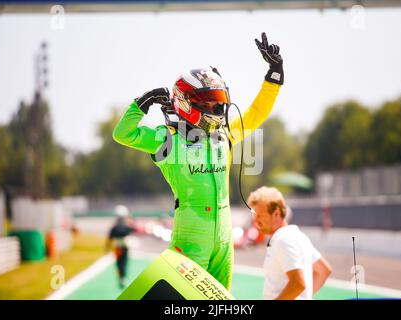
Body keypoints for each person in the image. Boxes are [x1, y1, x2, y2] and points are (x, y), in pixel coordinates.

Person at [112, 32, 284, 290]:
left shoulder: (223, 135)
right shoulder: (167, 140)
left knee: (220, 302)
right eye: (211, 103)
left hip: (224, 239)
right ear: (186, 103)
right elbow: (122, 134)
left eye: (220, 102)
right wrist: (143, 102)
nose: (218, 110)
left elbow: (256, 113)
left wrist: (275, 73)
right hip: (190, 237)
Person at [247, 186, 332, 300]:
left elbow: (298, 283)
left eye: (259, 216)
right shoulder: (297, 236)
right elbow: (323, 271)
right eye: (254, 216)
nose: (256, 222)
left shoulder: (282, 240)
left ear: (276, 213)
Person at [106, 205, 136, 288]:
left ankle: (122, 277)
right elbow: (110, 238)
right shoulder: (116, 228)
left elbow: (133, 229)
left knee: (124, 263)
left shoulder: (124, 227)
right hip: (118, 248)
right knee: (120, 264)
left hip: (124, 247)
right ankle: (121, 277)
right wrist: (107, 247)